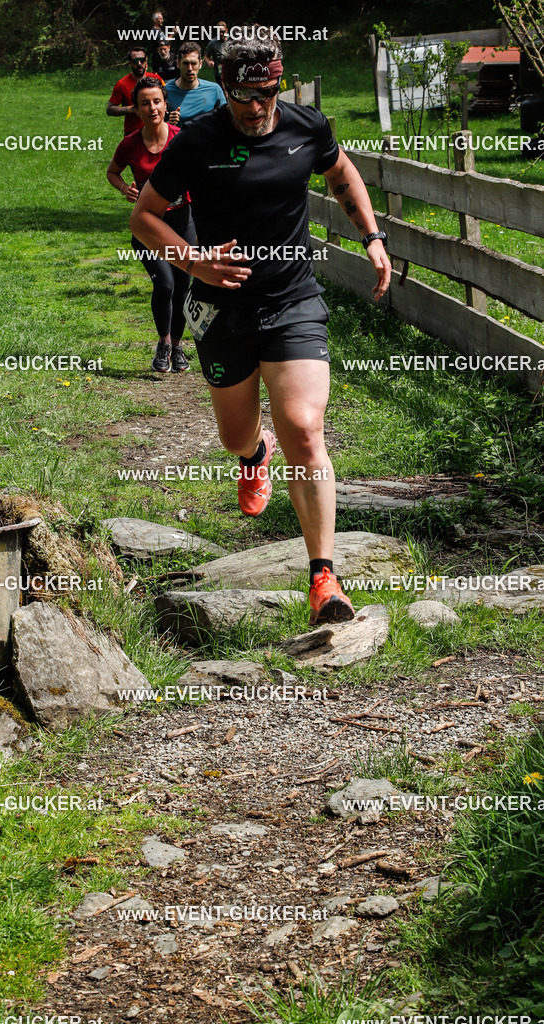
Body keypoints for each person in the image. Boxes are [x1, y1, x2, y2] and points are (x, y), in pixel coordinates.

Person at [130, 28, 391, 624]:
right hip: (221, 309)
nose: (256, 109)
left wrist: (372, 236)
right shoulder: (196, 141)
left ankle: (324, 577)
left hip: (292, 298)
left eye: (267, 94)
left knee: (304, 427)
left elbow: (342, 173)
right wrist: (194, 258)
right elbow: (144, 218)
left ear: (278, 83)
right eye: (244, 96)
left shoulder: (307, 127)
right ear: (225, 88)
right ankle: (253, 455)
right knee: (234, 434)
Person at [107, 76, 195, 373]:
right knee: (166, 284)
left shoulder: (181, 139)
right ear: (136, 108)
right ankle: (164, 342)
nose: (152, 107)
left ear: (165, 104)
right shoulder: (130, 144)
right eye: (144, 103)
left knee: (183, 285)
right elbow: (113, 172)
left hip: (182, 221)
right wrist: (125, 189)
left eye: (156, 101)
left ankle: (179, 347)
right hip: (148, 226)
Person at [165, 42, 226, 126]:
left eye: (193, 63)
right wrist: (168, 124)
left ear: (200, 64)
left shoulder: (214, 90)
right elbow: (156, 126)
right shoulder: (166, 91)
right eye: (186, 63)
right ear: (178, 64)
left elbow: (225, 122)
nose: (190, 68)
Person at [107, 49, 163, 137]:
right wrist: (131, 109)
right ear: (130, 63)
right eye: (136, 61)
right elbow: (110, 109)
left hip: (157, 131)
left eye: (142, 60)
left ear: (146, 61)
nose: (139, 63)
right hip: (133, 134)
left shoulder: (156, 79)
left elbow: (166, 100)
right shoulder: (122, 84)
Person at [204, 21, 229, 86]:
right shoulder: (213, 43)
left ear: (226, 30)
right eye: (219, 32)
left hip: (230, 70)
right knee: (221, 90)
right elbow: (206, 56)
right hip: (219, 71)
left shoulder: (231, 40)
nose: (221, 34)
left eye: (222, 32)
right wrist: (209, 62)